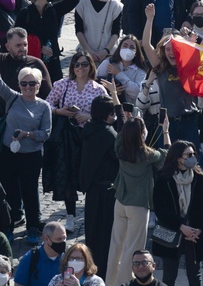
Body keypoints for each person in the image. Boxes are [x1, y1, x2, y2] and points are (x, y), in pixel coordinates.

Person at [45, 52, 107, 234]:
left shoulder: (98, 89)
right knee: (69, 174)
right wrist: (59, 111)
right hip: (66, 136)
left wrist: (90, 116)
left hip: (88, 137)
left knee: (88, 174)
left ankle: (89, 212)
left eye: (85, 64)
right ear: (72, 67)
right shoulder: (62, 85)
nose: (81, 68)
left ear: (91, 66)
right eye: (77, 64)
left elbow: (106, 114)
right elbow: (46, 105)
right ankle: (70, 215)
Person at [105, 117, 170, 286]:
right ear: (142, 134)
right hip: (138, 205)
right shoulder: (147, 155)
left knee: (116, 246)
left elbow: (120, 133)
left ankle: (110, 282)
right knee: (133, 250)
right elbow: (166, 154)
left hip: (120, 202)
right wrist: (166, 131)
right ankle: (125, 283)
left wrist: (128, 122)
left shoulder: (120, 148)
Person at [15, 0, 112, 82]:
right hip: (32, 61)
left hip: (53, 60)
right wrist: (40, 46)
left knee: (56, 89)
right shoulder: (25, 13)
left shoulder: (54, 10)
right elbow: (17, 37)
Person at [0, 67, 51, 245]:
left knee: (30, 192)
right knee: (8, 190)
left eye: (32, 83)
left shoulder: (44, 107)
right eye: (24, 83)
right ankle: (7, 227)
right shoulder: (12, 97)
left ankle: (32, 228)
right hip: (9, 154)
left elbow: (45, 133)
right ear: (19, 85)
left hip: (31, 155)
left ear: (38, 85)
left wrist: (27, 134)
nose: (28, 87)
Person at [153, 140, 203, 286]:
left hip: (194, 235)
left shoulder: (199, 178)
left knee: (195, 276)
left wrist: (199, 229)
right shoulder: (164, 179)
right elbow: (161, 210)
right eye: (188, 154)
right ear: (178, 158)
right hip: (171, 232)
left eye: (193, 153)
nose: (192, 157)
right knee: (169, 276)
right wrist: (181, 227)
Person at [141, 4, 201, 150]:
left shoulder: (189, 64)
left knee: (191, 161)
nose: (171, 52)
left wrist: (190, 45)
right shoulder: (161, 67)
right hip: (169, 122)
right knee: (167, 162)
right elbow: (145, 45)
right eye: (168, 49)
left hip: (190, 120)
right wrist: (149, 19)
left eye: (175, 48)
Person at [80, 90, 125, 278]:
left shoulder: (88, 130)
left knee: (92, 235)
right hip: (107, 192)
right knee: (107, 237)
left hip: (92, 191)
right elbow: (122, 152)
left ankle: (90, 272)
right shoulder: (109, 134)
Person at [75, 0, 123, 64]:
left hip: (109, 55)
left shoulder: (116, 6)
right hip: (86, 55)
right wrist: (89, 52)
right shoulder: (81, 4)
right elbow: (79, 31)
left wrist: (105, 51)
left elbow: (116, 32)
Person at [0, 27, 52, 115]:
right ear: (8, 47)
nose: (23, 48)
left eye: (25, 44)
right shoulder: (2, 60)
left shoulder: (36, 64)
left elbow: (49, 96)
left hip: (28, 116)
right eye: (18, 45)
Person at [96, 35, 148, 105]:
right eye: (125, 46)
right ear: (119, 48)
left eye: (132, 47)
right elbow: (95, 83)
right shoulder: (108, 63)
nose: (127, 49)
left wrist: (118, 74)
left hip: (128, 110)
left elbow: (137, 92)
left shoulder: (140, 71)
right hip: (107, 107)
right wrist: (111, 91)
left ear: (136, 53)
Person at [13, 222, 66, 286]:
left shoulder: (68, 258)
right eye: (59, 239)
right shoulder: (30, 259)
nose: (63, 242)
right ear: (46, 239)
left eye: (64, 238)